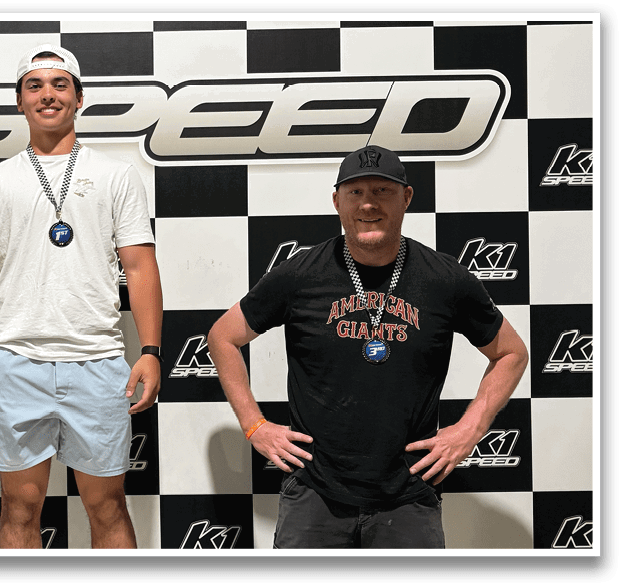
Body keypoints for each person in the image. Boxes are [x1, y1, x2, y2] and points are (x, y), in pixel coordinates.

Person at [207, 145, 529, 548]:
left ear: (407, 198)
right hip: (314, 493)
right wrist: (255, 426)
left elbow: (512, 353)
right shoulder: (300, 275)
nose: (368, 205)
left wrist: (469, 430)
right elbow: (222, 337)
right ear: (337, 200)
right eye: (356, 193)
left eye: (382, 191)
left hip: (410, 495)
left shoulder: (445, 279)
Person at [0, 44, 163, 549]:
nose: (48, 95)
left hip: (99, 359)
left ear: (79, 99)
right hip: (15, 359)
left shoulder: (117, 174)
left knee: (107, 506)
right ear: (19, 102)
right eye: (35, 86)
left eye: (60, 84)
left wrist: (149, 350)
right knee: (19, 508)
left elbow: (140, 266)